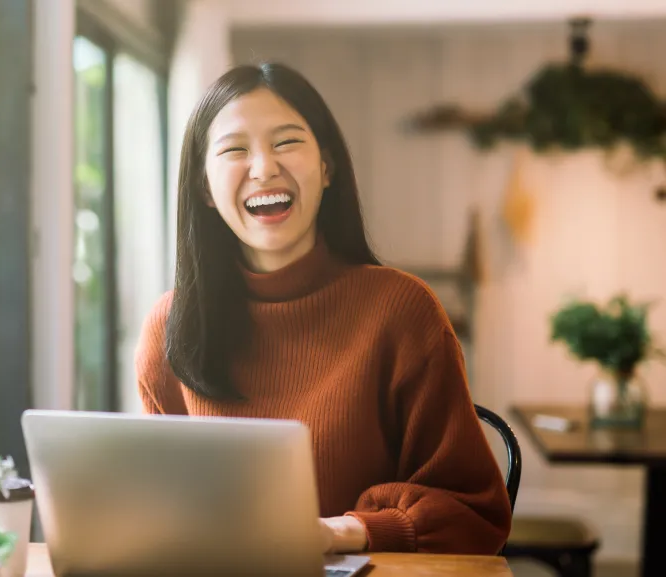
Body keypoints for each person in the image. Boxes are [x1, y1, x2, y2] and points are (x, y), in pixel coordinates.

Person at [135, 62, 512, 555]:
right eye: (234, 150)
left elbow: (476, 514)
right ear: (205, 188)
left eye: (286, 142)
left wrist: (342, 532)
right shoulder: (171, 326)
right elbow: (160, 505)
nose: (264, 167)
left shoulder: (401, 311)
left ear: (327, 167)